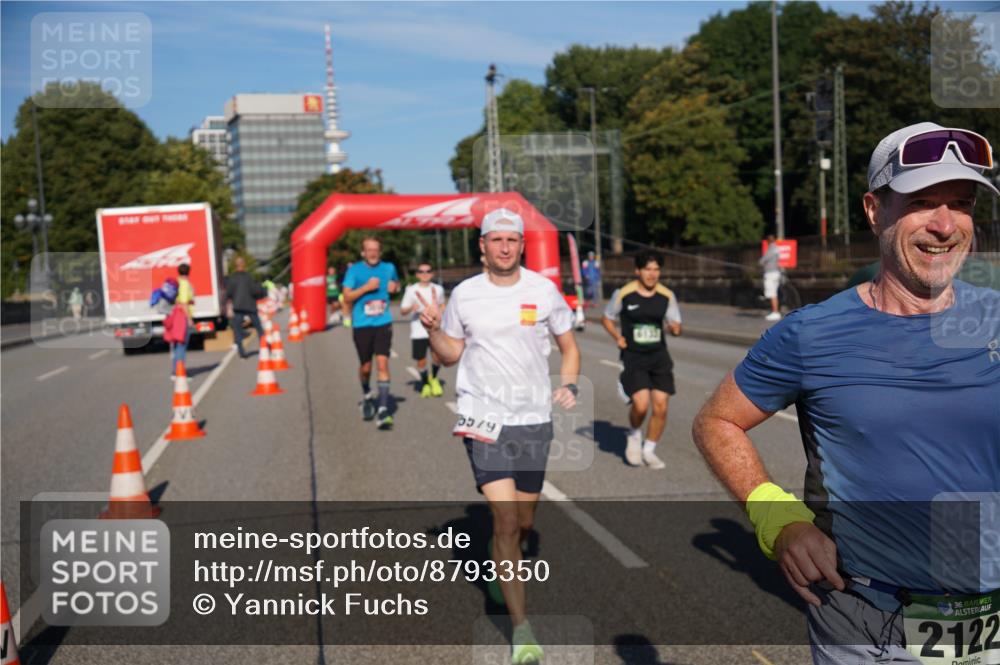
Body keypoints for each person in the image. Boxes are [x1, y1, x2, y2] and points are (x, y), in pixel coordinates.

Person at [692, 122, 1000, 664]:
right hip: (866, 621)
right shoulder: (810, 333)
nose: (945, 224)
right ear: (874, 210)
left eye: (961, 203)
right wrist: (779, 520)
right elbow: (717, 422)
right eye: (921, 202)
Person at [417, 208, 580, 665]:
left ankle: (498, 558)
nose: (504, 247)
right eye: (496, 240)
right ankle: (522, 629)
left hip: (532, 418)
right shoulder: (465, 295)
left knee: (525, 522)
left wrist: (568, 384)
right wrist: (434, 332)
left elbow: (569, 346)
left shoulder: (543, 290)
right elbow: (450, 355)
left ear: (522, 245)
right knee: (506, 521)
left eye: (512, 240)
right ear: (483, 246)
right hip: (482, 417)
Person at [601, 250, 682, 469]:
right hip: (634, 357)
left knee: (661, 406)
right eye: (647, 269)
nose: (652, 274)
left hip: (659, 356)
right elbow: (607, 318)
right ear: (637, 271)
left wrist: (675, 328)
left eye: (656, 270)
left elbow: (675, 323)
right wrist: (617, 337)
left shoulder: (667, 296)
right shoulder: (624, 293)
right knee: (641, 404)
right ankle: (635, 434)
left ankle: (649, 450)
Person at [342, 238, 399, 429]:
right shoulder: (354, 270)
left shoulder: (389, 267)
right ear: (363, 253)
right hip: (362, 325)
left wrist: (395, 287)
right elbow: (347, 296)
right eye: (369, 250)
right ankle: (366, 392)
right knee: (366, 367)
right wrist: (366, 287)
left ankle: (382, 410)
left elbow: (396, 284)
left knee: (382, 363)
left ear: (380, 252)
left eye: (375, 250)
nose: (373, 253)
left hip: (383, 323)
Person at [399, 262, 446, 398]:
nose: (425, 274)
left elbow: (442, 305)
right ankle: (425, 383)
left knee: (437, 357)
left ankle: (434, 379)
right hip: (418, 331)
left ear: (432, 274)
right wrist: (411, 308)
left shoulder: (438, 289)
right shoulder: (411, 290)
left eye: (428, 271)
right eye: (421, 271)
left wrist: (439, 312)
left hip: (436, 329)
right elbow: (402, 311)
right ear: (417, 274)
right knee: (421, 361)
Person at [224, 256, 266, 359]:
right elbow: (255, 291)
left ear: (235, 265)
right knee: (258, 327)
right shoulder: (249, 277)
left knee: (237, 330)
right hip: (250, 305)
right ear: (244, 265)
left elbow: (228, 293)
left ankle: (242, 352)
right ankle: (265, 347)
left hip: (238, 306)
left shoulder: (232, 278)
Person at [171, 263, 195, 377]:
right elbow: (184, 303)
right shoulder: (185, 284)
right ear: (188, 272)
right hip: (183, 317)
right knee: (182, 344)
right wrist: (189, 319)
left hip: (176, 316)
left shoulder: (177, 282)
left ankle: (175, 370)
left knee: (177, 345)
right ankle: (179, 372)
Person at [759, 234, 782, 321]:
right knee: (774, 293)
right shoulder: (776, 248)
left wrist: (760, 263)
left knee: (772, 293)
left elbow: (763, 260)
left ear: (768, 241)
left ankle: (775, 312)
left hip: (770, 273)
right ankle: (775, 311)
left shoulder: (771, 249)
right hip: (776, 272)